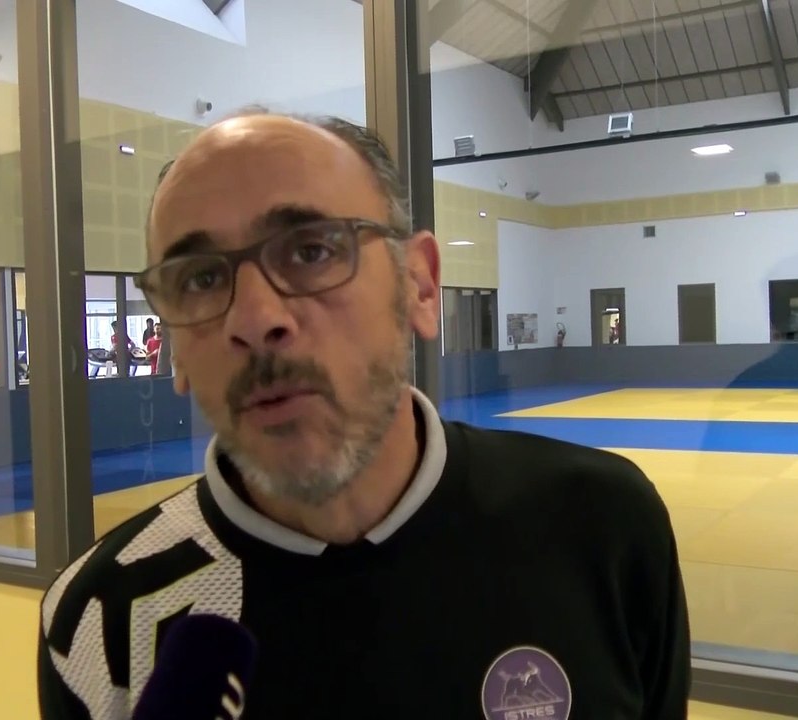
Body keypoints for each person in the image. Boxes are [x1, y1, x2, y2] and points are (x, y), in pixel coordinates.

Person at [37, 111, 690, 719]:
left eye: (311, 250)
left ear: (420, 287)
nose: (256, 320)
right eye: (200, 279)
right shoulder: (101, 622)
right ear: (174, 346)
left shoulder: (600, 525)